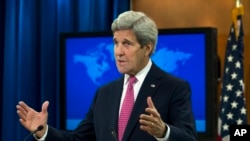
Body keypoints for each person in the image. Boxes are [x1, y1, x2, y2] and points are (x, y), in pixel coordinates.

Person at [16, 10, 198, 141]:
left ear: (147, 48)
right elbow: (78, 139)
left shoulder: (174, 88)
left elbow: (189, 138)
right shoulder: (104, 93)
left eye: (127, 44)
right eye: (116, 43)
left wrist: (163, 132)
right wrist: (43, 131)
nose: (118, 52)